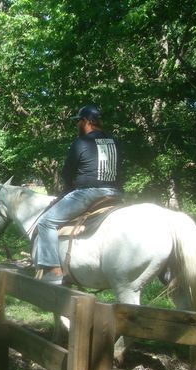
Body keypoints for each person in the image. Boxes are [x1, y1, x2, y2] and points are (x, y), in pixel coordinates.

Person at [34, 104, 123, 285]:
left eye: (78, 122)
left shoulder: (81, 143)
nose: (77, 126)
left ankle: (54, 270)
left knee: (45, 222)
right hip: (114, 194)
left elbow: (67, 174)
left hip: (88, 194)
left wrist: (69, 188)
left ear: (86, 122)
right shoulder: (115, 142)